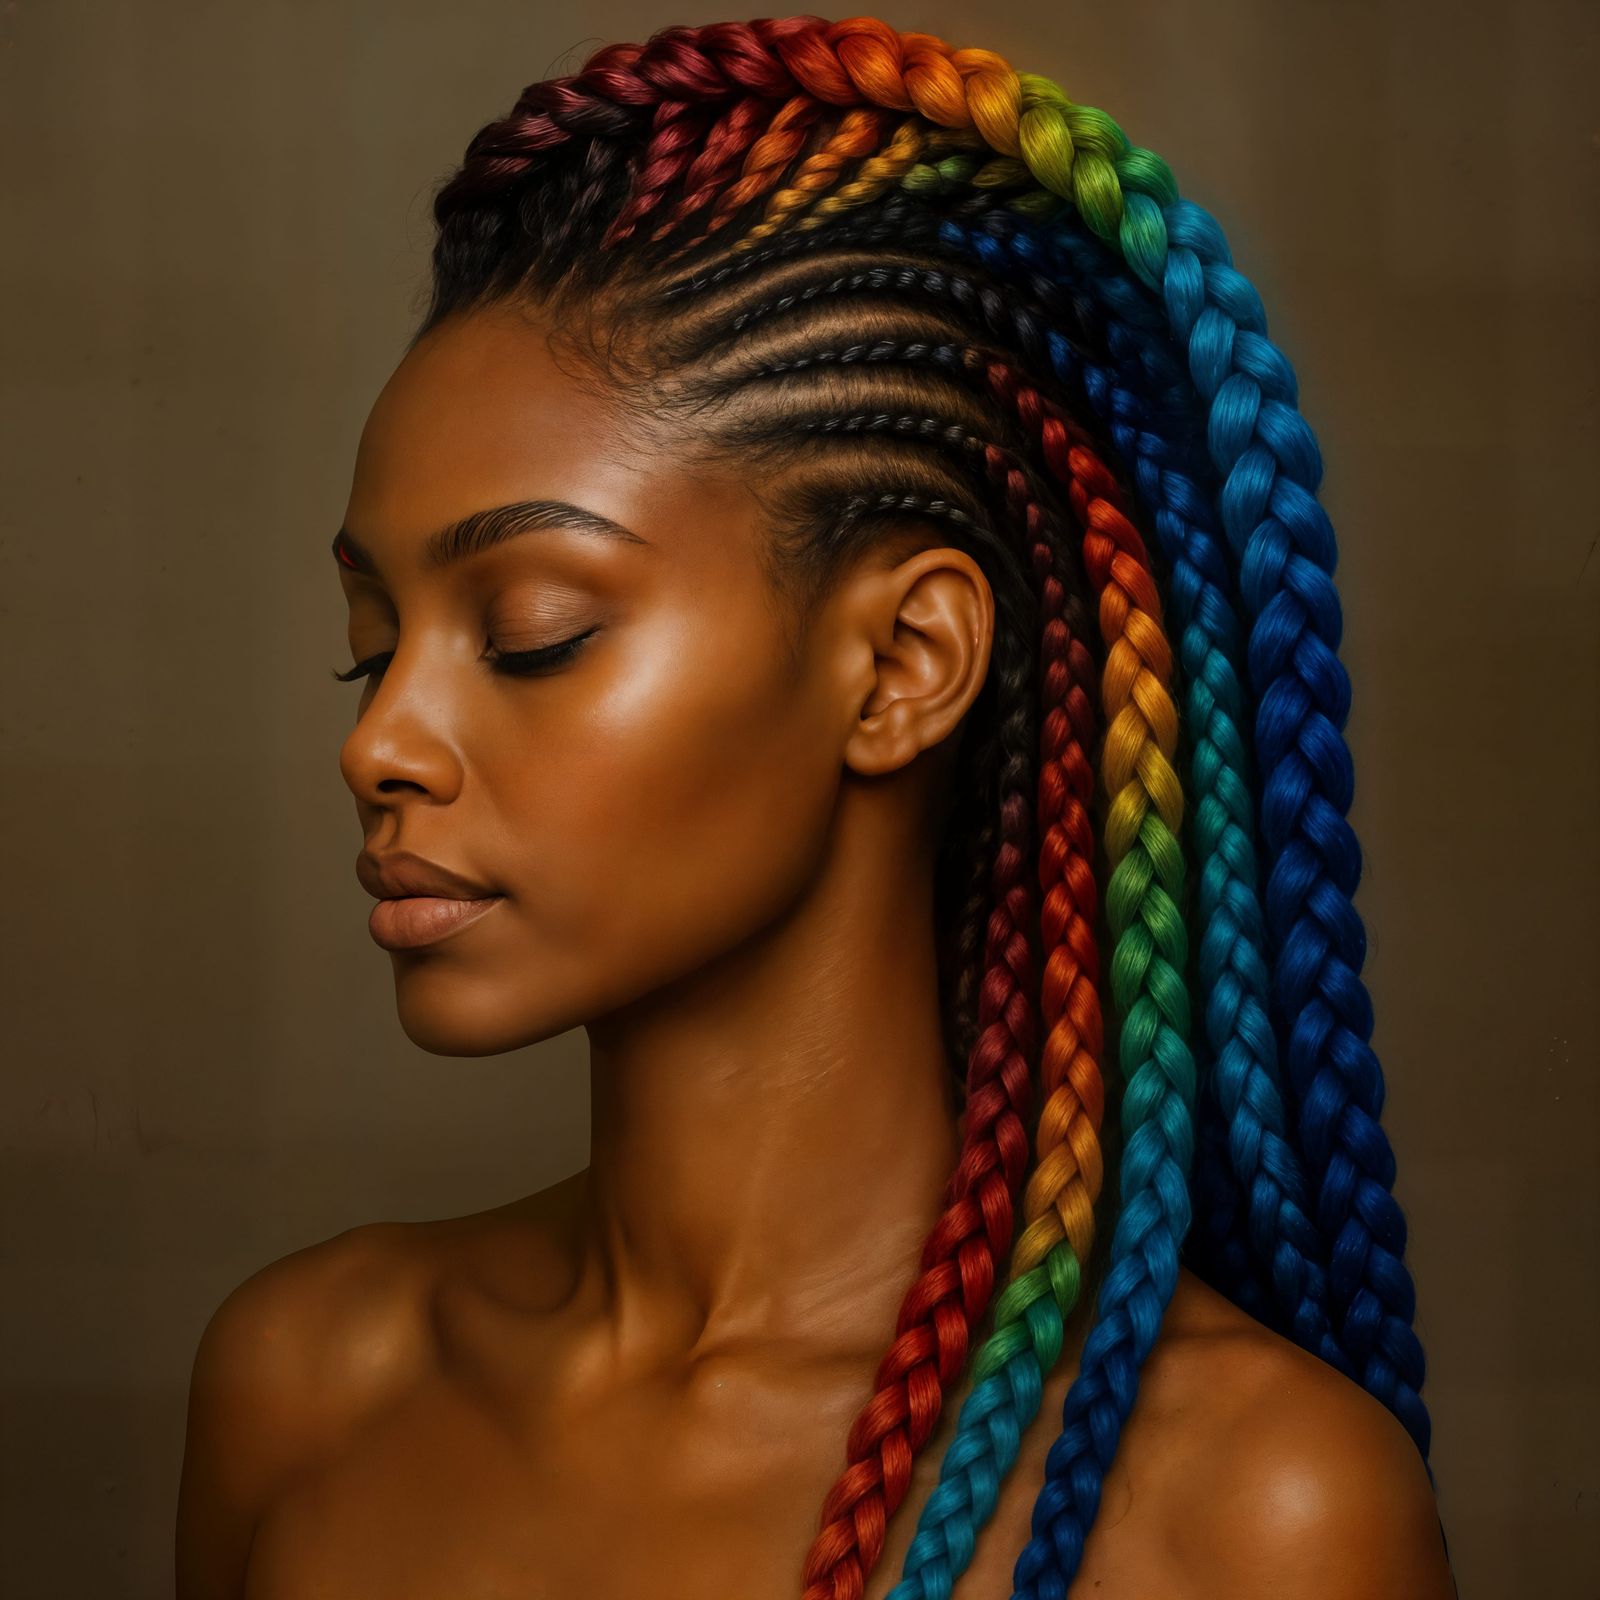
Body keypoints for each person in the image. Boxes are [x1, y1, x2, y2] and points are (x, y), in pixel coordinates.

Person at [174, 16, 1457, 1598]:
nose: (385, 743)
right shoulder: (307, 1389)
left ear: (902, 664)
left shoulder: (1248, 1511)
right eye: (372, 649)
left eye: (532, 633)